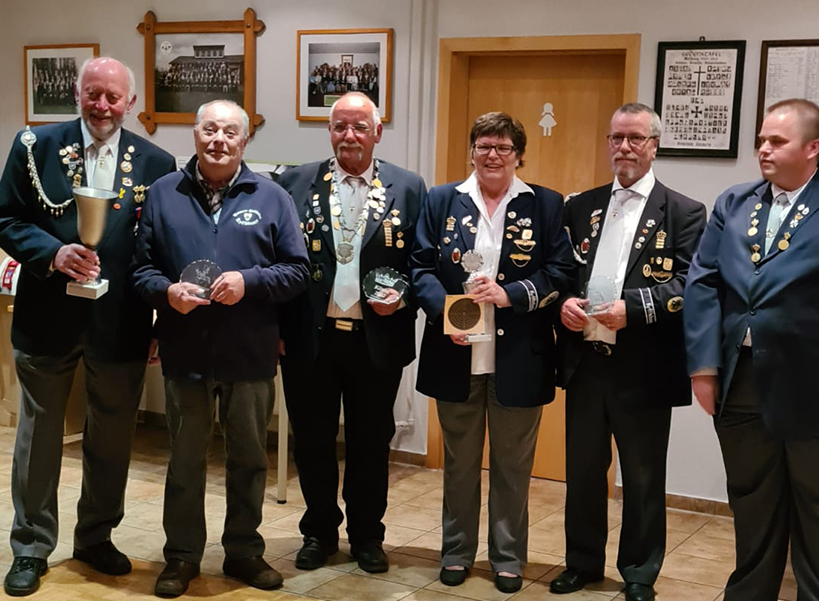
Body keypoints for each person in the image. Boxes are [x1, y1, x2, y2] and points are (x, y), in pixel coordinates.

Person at [0, 56, 175, 597]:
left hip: (121, 324)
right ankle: (30, 547)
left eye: (113, 97)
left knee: (113, 438)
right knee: (39, 438)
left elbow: (160, 247)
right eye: (93, 94)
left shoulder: (156, 162)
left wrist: (161, 318)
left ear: (130, 103)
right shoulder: (35, 146)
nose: (102, 106)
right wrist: (51, 252)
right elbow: (4, 218)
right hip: (47, 319)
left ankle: (95, 536)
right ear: (78, 92)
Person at [684, 98, 819, 601]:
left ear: (813, 148)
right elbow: (702, 283)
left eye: (776, 141)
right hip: (742, 381)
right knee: (752, 501)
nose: (763, 149)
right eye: (761, 139)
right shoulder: (735, 202)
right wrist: (703, 366)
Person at [132, 100, 309, 597]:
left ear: (244, 141)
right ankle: (182, 556)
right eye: (209, 129)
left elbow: (297, 270)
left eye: (230, 132)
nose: (219, 140)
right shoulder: (164, 194)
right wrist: (166, 292)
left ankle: (244, 553)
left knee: (249, 459)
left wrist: (248, 281)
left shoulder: (272, 196)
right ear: (194, 133)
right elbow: (141, 269)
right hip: (185, 351)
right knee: (185, 460)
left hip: (249, 353)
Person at [410, 112, 573, 594]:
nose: (493, 155)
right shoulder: (442, 200)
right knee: (459, 463)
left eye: (503, 147)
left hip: (520, 356)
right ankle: (457, 552)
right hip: (456, 352)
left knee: (512, 465)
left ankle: (507, 559)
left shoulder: (544, 204)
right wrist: (449, 315)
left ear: (519, 154)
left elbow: (560, 273)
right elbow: (420, 268)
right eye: (483, 145)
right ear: (471, 151)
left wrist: (511, 295)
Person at [552, 103, 706, 601]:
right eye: (616, 137)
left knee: (641, 478)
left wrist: (634, 309)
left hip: (643, 368)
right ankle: (582, 563)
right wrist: (567, 304)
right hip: (586, 362)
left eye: (635, 138)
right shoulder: (581, 206)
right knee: (582, 473)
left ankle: (639, 573)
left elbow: (689, 284)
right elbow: (565, 273)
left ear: (654, 145)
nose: (624, 148)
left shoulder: (683, 211)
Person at [278, 92, 427, 574]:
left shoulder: (408, 186)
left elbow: (420, 260)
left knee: (370, 441)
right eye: (340, 127)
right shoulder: (295, 182)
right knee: (313, 440)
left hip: (376, 340)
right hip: (310, 338)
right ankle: (319, 532)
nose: (349, 136)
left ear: (377, 132)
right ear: (330, 131)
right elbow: (276, 259)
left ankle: (367, 535)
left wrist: (403, 295)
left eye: (359, 127)